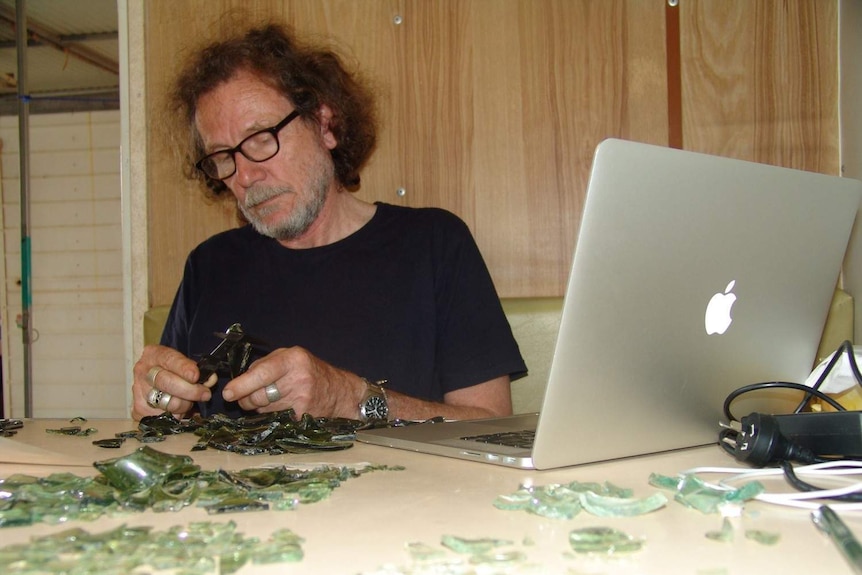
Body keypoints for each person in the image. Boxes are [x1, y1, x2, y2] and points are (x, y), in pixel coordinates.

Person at [131, 23, 526, 422]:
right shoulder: (209, 265)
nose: (245, 176)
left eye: (262, 138)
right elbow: (185, 430)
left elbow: (488, 427)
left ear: (324, 125)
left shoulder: (434, 244)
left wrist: (348, 399)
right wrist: (163, 405)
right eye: (223, 156)